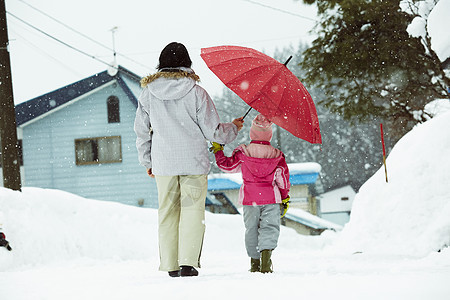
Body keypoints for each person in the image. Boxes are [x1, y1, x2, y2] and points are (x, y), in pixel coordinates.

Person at [134, 42, 244, 277]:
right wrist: (233, 128)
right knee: (192, 211)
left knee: (167, 212)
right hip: (193, 162)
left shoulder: (147, 94)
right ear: (187, 64)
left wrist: (148, 161)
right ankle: (187, 263)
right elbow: (213, 132)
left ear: (161, 64)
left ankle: (171, 265)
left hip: (163, 163)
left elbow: (141, 131)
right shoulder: (196, 93)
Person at [211, 113, 290, 273]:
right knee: (270, 228)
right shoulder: (277, 155)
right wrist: (284, 197)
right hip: (271, 199)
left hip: (249, 198)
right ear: (269, 135)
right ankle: (266, 262)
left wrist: (218, 151)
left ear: (252, 133)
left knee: (251, 229)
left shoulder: (243, 152)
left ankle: (254, 263)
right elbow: (282, 180)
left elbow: (226, 166)